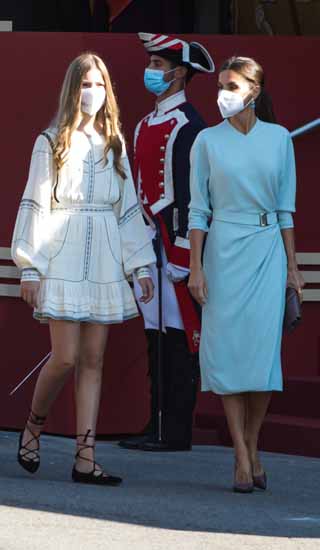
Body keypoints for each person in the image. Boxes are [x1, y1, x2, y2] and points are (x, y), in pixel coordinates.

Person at [11, 52, 155, 486]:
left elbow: (127, 208)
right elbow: (35, 203)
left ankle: (85, 458)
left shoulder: (114, 143)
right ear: (73, 89)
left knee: (94, 360)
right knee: (66, 357)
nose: (94, 92)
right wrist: (30, 268)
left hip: (106, 257)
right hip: (63, 255)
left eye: (100, 85)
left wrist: (141, 265)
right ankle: (33, 427)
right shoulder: (50, 140)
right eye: (86, 84)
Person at [188, 56, 305, 492]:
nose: (222, 93)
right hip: (222, 250)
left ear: (253, 91)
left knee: (261, 358)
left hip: (267, 251)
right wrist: (196, 267)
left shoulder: (279, 139)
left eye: (231, 85)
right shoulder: (206, 141)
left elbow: (285, 208)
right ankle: (240, 453)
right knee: (228, 353)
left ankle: (252, 444)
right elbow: (198, 210)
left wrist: (293, 268)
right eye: (220, 85)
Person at [118, 33, 215, 452]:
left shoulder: (190, 125)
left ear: (179, 74)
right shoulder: (145, 123)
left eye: (159, 66)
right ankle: (155, 420)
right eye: (152, 65)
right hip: (147, 244)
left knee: (177, 336)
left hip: (172, 246)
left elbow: (193, 197)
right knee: (155, 333)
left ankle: (176, 427)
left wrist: (181, 252)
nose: (152, 72)